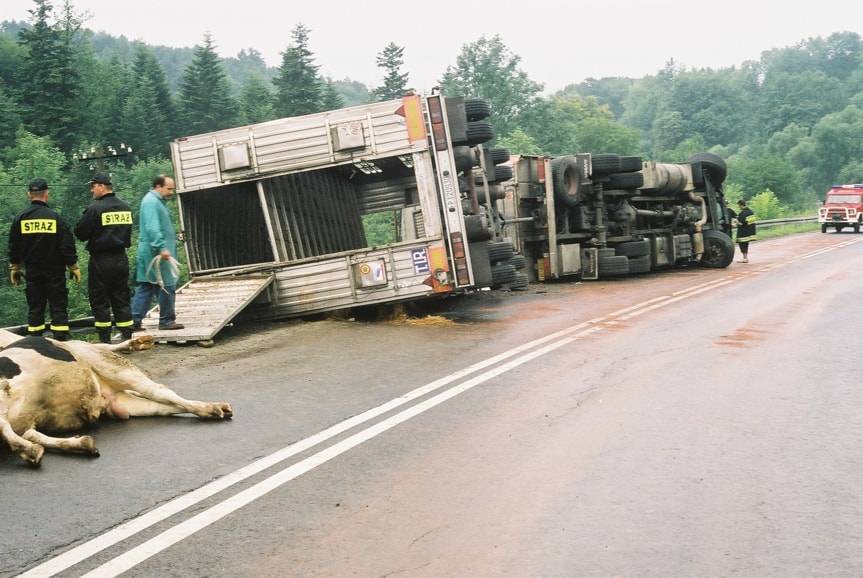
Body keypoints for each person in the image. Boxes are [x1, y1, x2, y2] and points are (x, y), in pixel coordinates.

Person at [7, 179, 80, 340]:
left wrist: (15, 267)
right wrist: (73, 266)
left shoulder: (21, 219)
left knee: (35, 308)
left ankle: (35, 342)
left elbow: (14, 246)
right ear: (47, 194)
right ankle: (60, 340)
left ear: (29, 195)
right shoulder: (55, 218)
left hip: (33, 271)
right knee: (58, 307)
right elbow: (67, 245)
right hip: (55, 271)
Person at [74, 173, 135, 343]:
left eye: (93, 186)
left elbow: (80, 233)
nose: (91, 190)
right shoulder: (125, 207)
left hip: (101, 260)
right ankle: (127, 337)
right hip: (121, 259)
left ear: (101, 186)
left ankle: (105, 340)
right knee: (121, 297)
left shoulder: (95, 209)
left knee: (99, 299)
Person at [131, 175, 184, 331]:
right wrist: (161, 247)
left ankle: (134, 321)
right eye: (169, 189)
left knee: (147, 286)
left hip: (150, 252)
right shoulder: (152, 202)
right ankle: (166, 320)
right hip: (156, 252)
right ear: (158, 186)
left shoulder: (154, 201)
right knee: (167, 285)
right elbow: (153, 228)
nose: (171, 192)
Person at [735, 199, 757, 263]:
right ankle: (745, 258)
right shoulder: (751, 212)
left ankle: (745, 258)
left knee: (742, 244)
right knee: (746, 244)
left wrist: (736, 221)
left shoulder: (742, 213)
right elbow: (751, 222)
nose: (739, 207)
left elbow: (741, 223)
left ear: (741, 205)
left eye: (739, 206)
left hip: (743, 232)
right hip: (750, 231)